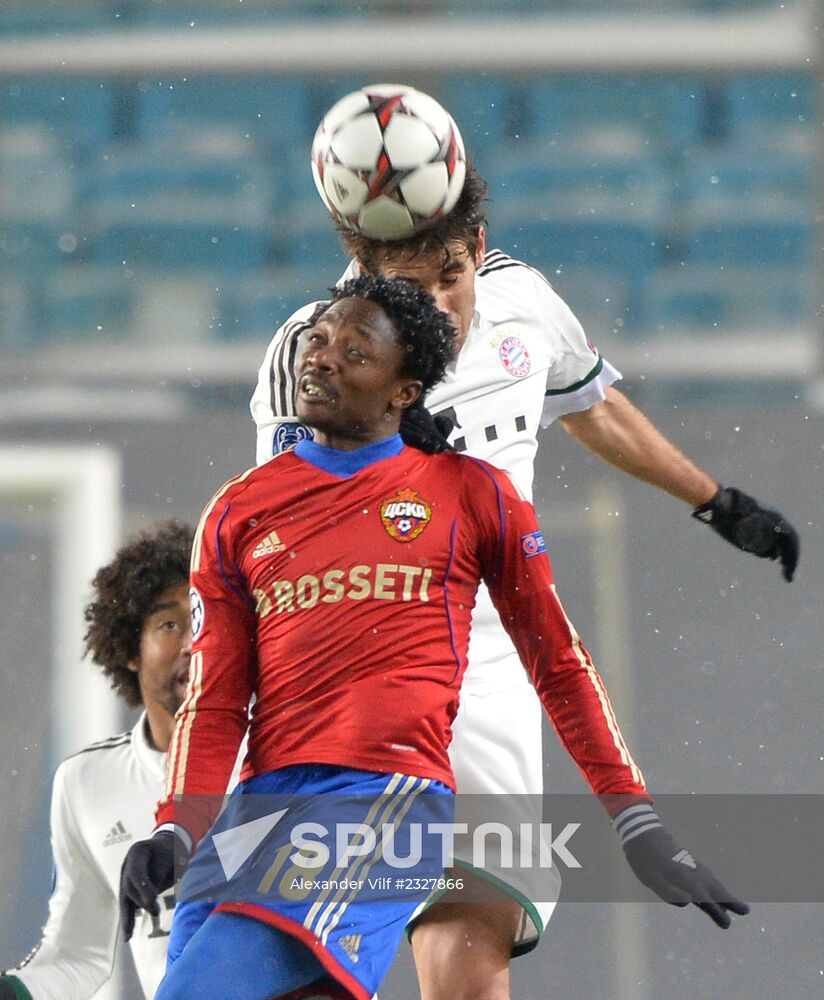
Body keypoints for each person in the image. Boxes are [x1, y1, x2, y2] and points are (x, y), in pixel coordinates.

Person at [250, 95, 799, 1000]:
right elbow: (282, 532)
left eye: (451, 276)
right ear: (360, 270)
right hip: (352, 679)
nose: (440, 304)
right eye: (408, 286)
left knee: (470, 956)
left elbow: (591, 403)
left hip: (491, 680)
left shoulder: (523, 303)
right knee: (304, 969)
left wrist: (717, 501)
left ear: (481, 245)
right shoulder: (312, 357)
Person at [120, 277, 747, 1000]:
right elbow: (217, 699)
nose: (321, 359)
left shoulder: (471, 494)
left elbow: (558, 665)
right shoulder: (238, 510)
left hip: (380, 803)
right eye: (317, 341)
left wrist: (635, 820)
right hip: (258, 809)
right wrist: (179, 826)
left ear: (404, 391)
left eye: (355, 353)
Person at [0, 521, 194, 1000]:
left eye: (206, 619)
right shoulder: (89, 782)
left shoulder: (290, 757)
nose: (194, 643)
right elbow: (77, 956)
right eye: (171, 624)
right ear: (130, 648)